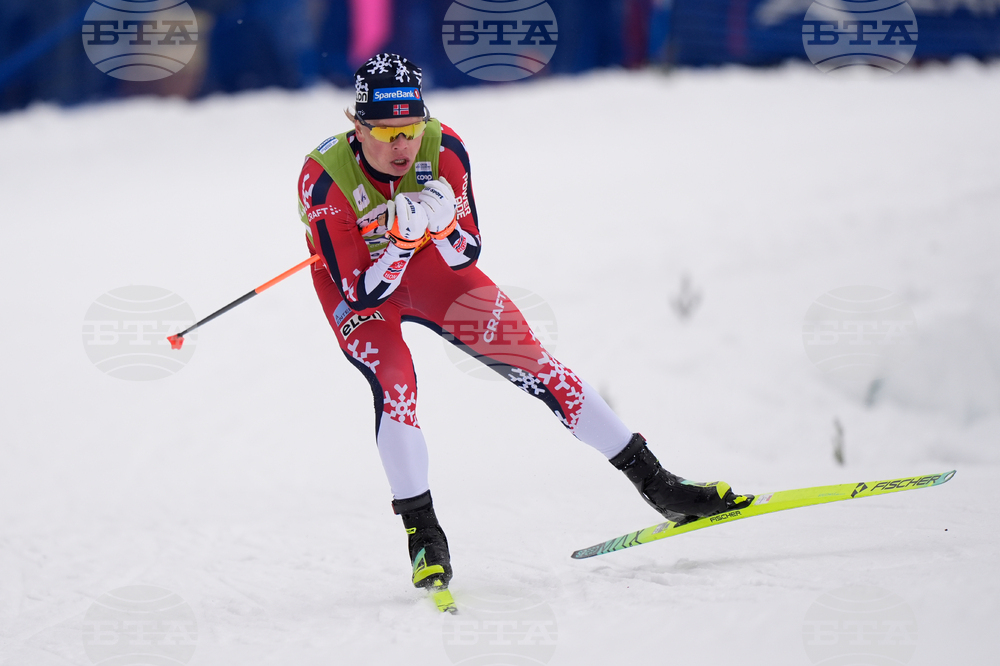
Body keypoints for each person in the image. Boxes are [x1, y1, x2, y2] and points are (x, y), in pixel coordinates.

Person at [297, 53, 750, 593]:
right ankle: (424, 535)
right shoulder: (323, 177)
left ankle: (661, 485)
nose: (403, 146)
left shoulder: (443, 148)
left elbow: (466, 254)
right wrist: (395, 245)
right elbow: (360, 290)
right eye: (388, 132)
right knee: (395, 381)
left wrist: (440, 230)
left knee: (535, 362)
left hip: (431, 269)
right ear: (358, 126)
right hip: (359, 284)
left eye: (411, 129)